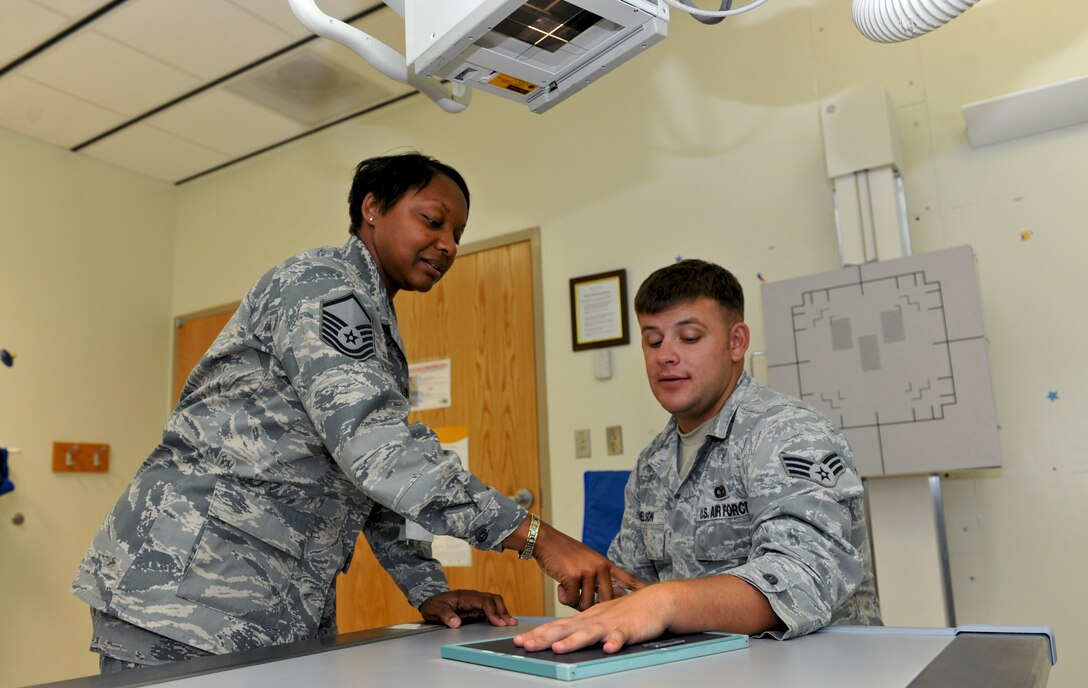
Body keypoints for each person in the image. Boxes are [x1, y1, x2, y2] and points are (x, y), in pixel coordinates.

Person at [73, 152, 634, 672]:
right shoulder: (320, 290)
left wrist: (426, 588)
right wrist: (537, 537)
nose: (448, 245)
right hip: (189, 587)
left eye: (458, 235)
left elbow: (366, 481)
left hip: (262, 597)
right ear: (372, 209)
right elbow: (378, 454)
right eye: (433, 221)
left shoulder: (371, 325)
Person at [515, 259, 881, 654]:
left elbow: (803, 577)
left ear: (736, 342)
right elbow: (636, 587)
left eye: (689, 338)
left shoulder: (788, 434)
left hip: (817, 668)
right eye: (653, 341)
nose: (666, 356)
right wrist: (603, 592)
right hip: (702, 667)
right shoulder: (652, 462)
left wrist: (664, 602)